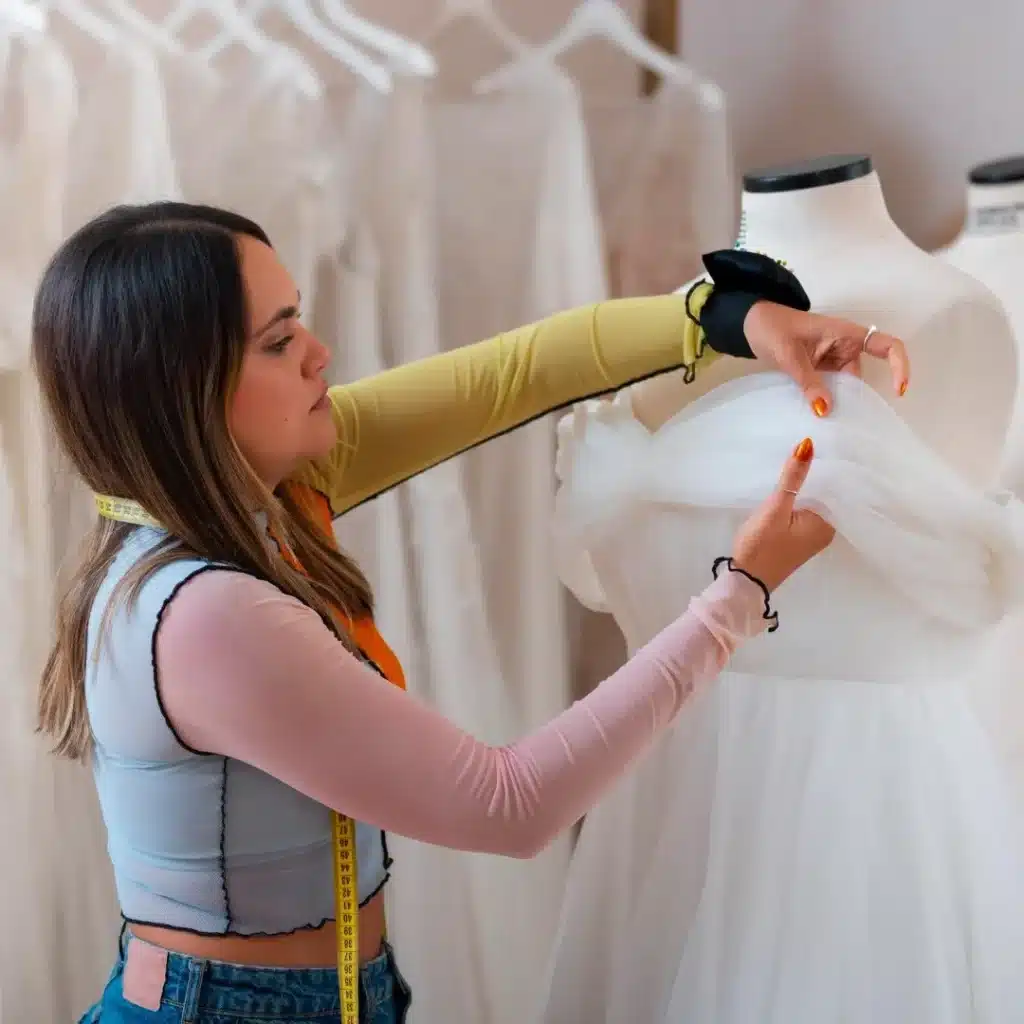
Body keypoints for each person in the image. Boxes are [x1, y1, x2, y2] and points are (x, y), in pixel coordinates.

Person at [30, 203, 909, 1024]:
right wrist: (738, 596)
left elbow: (511, 374)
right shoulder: (207, 612)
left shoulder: (263, 492)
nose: (320, 353)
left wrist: (730, 317)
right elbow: (511, 804)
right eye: (279, 340)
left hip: (319, 991)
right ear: (186, 392)